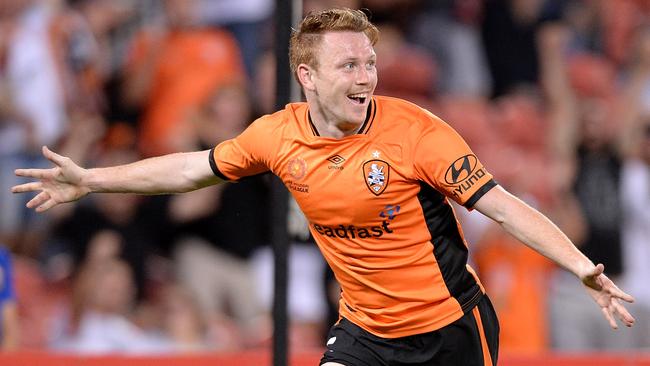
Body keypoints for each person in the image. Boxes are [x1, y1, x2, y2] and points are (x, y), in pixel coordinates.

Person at [11, 8, 635, 366]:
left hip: (450, 330)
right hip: (365, 330)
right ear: (307, 75)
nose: (366, 76)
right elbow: (189, 168)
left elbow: (503, 208)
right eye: (348, 65)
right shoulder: (277, 135)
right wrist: (92, 179)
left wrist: (582, 268)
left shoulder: (417, 133)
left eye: (369, 62)